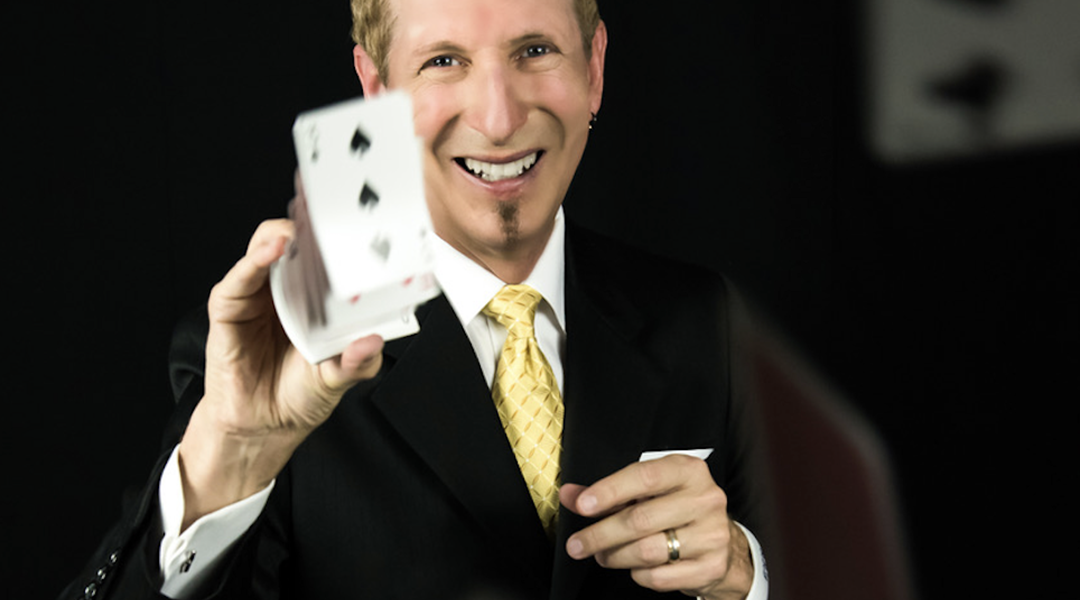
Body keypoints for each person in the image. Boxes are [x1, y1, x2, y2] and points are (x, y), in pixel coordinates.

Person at [62, 1, 768, 598]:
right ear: (377, 90)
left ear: (595, 69)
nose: (497, 118)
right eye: (443, 62)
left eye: (534, 50)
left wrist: (743, 572)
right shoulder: (276, 358)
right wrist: (233, 457)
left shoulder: (703, 319)